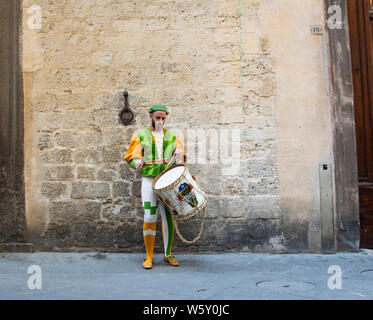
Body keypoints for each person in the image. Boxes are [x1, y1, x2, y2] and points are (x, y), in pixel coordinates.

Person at [123, 104, 187, 269]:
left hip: (167, 182)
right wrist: (136, 162)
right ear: (151, 117)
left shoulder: (172, 137)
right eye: (157, 117)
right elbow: (131, 155)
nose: (160, 121)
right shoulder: (140, 135)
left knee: (167, 217)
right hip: (149, 180)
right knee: (149, 216)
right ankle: (149, 256)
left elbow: (181, 158)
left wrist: (180, 156)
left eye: (163, 118)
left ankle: (168, 254)